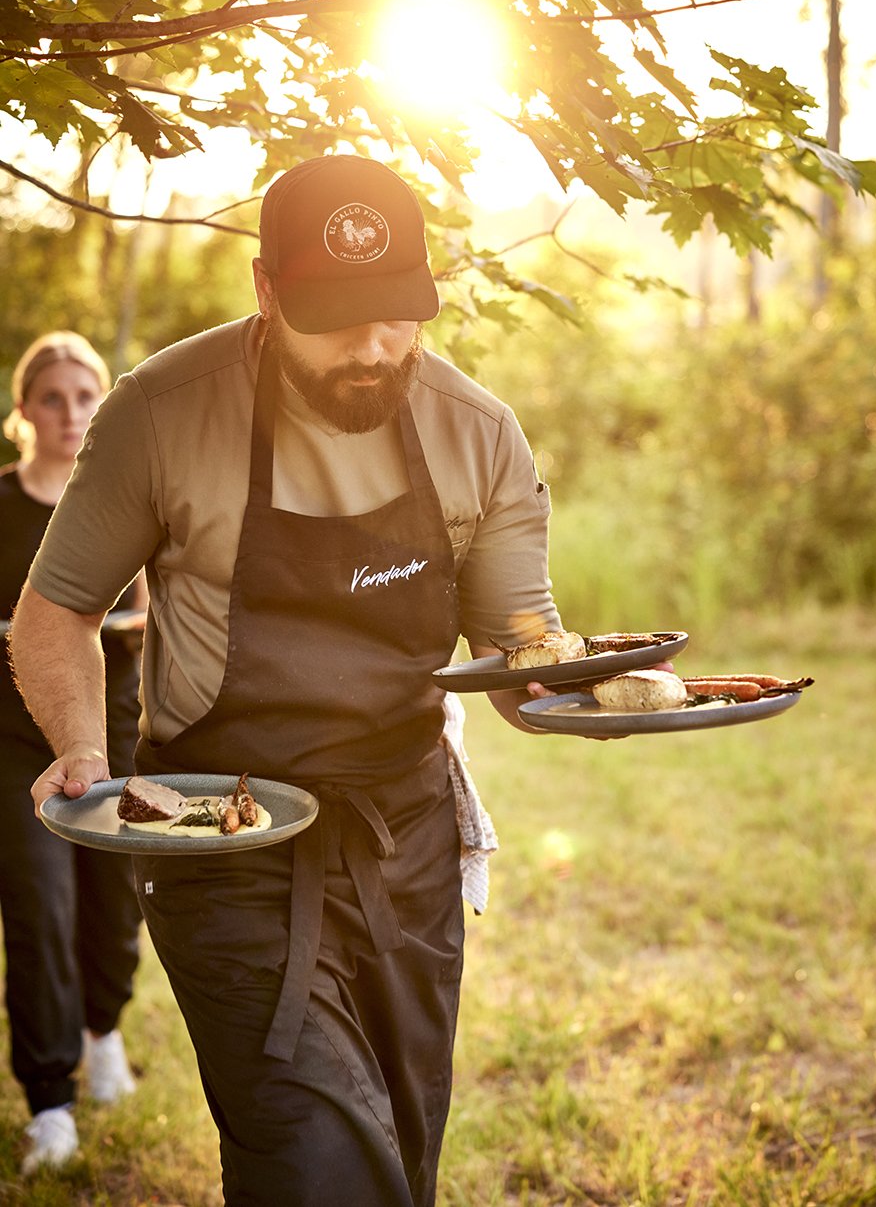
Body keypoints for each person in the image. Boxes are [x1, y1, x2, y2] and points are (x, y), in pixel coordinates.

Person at [10, 155, 566, 1206]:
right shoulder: (162, 413)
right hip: (220, 837)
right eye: (338, 316)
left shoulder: (478, 431)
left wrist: (594, 683)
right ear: (267, 293)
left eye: (397, 313)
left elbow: (518, 646)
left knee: (401, 1143)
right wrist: (84, 747)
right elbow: (57, 611)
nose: (373, 346)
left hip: (405, 841)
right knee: (310, 1150)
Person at [0, 332, 145, 1175]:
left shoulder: (120, 500)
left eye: (85, 396)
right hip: (14, 741)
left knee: (115, 900)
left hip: (117, 731)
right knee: (39, 911)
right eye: (52, 397)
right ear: (24, 410)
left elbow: (159, 608)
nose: (70, 412)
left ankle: (104, 1030)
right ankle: (50, 1101)